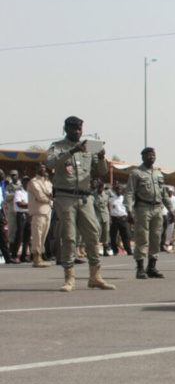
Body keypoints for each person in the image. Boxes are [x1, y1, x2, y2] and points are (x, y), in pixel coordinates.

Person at [45, 116, 115, 291]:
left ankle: (95, 276)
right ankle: (69, 278)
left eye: (79, 129)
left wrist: (101, 158)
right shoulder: (58, 146)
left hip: (85, 197)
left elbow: (103, 171)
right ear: (66, 129)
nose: (77, 132)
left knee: (93, 232)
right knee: (69, 236)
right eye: (73, 129)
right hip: (65, 196)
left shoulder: (88, 147)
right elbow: (50, 163)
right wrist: (71, 151)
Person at [125, 147, 174, 279]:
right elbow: (129, 192)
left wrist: (171, 210)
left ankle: (152, 267)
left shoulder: (159, 174)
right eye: (148, 155)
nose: (151, 157)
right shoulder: (136, 173)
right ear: (143, 157)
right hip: (143, 208)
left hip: (157, 209)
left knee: (156, 238)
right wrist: (129, 210)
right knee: (142, 238)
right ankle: (140, 268)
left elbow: (164, 195)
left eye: (153, 155)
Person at [28, 163, 53, 267]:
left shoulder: (48, 182)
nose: (42, 169)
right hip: (38, 211)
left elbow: (52, 193)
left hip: (47, 211)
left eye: (43, 167)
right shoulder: (33, 182)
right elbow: (40, 196)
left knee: (44, 235)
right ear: (36, 169)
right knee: (37, 235)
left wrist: (50, 197)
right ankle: (36, 258)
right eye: (39, 167)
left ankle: (40, 256)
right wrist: (50, 198)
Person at [11, 176, 31, 263]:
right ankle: (14, 254)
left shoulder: (30, 193)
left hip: (28, 214)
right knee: (19, 235)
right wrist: (30, 205)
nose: (27, 183)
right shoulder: (19, 192)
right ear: (22, 182)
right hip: (21, 214)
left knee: (27, 236)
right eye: (26, 181)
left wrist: (27, 204)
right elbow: (20, 204)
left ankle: (24, 255)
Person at [108, 183, 132, 256]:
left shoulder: (124, 198)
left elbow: (128, 208)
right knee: (113, 235)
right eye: (118, 189)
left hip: (123, 218)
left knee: (125, 235)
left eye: (120, 189)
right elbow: (108, 207)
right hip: (114, 218)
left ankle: (128, 250)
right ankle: (115, 250)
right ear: (115, 190)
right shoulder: (111, 199)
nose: (119, 191)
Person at [91, 179, 112, 257]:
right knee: (97, 232)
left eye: (101, 187)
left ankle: (105, 249)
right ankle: (96, 250)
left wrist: (110, 216)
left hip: (105, 215)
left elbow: (108, 205)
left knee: (106, 232)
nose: (100, 188)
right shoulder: (93, 195)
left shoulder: (106, 194)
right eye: (99, 187)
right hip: (97, 215)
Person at [4, 170, 22, 255]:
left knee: (21, 231)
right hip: (12, 211)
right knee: (12, 231)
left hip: (21, 210)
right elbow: (6, 196)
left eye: (15, 175)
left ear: (18, 175)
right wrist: (16, 194)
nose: (13, 177)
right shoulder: (8, 186)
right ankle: (12, 251)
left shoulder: (22, 185)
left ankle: (20, 251)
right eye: (12, 175)